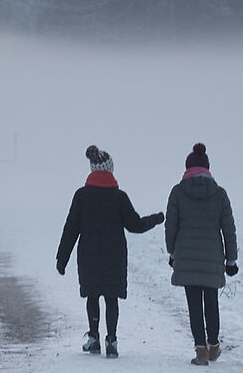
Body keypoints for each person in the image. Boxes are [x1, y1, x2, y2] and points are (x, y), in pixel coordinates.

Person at [56, 143, 163, 356]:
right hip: (114, 256)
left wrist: (62, 259)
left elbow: (71, 229)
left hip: (88, 255)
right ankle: (112, 341)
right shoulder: (119, 197)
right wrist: (157, 218)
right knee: (112, 297)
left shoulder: (81, 196)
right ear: (110, 169)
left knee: (93, 296)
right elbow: (135, 225)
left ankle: (94, 338)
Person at [165, 141, 240, 364]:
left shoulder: (178, 192)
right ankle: (214, 346)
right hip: (213, 258)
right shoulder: (219, 194)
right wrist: (231, 259)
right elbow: (229, 229)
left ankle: (201, 351)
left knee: (194, 305)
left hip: (186, 257)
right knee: (211, 302)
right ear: (208, 169)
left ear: (187, 168)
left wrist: (172, 252)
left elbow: (171, 226)